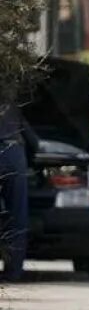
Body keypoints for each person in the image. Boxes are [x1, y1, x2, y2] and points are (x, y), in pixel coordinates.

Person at [0, 97, 38, 283]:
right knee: (17, 216)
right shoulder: (12, 105)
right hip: (13, 154)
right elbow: (31, 138)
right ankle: (13, 272)